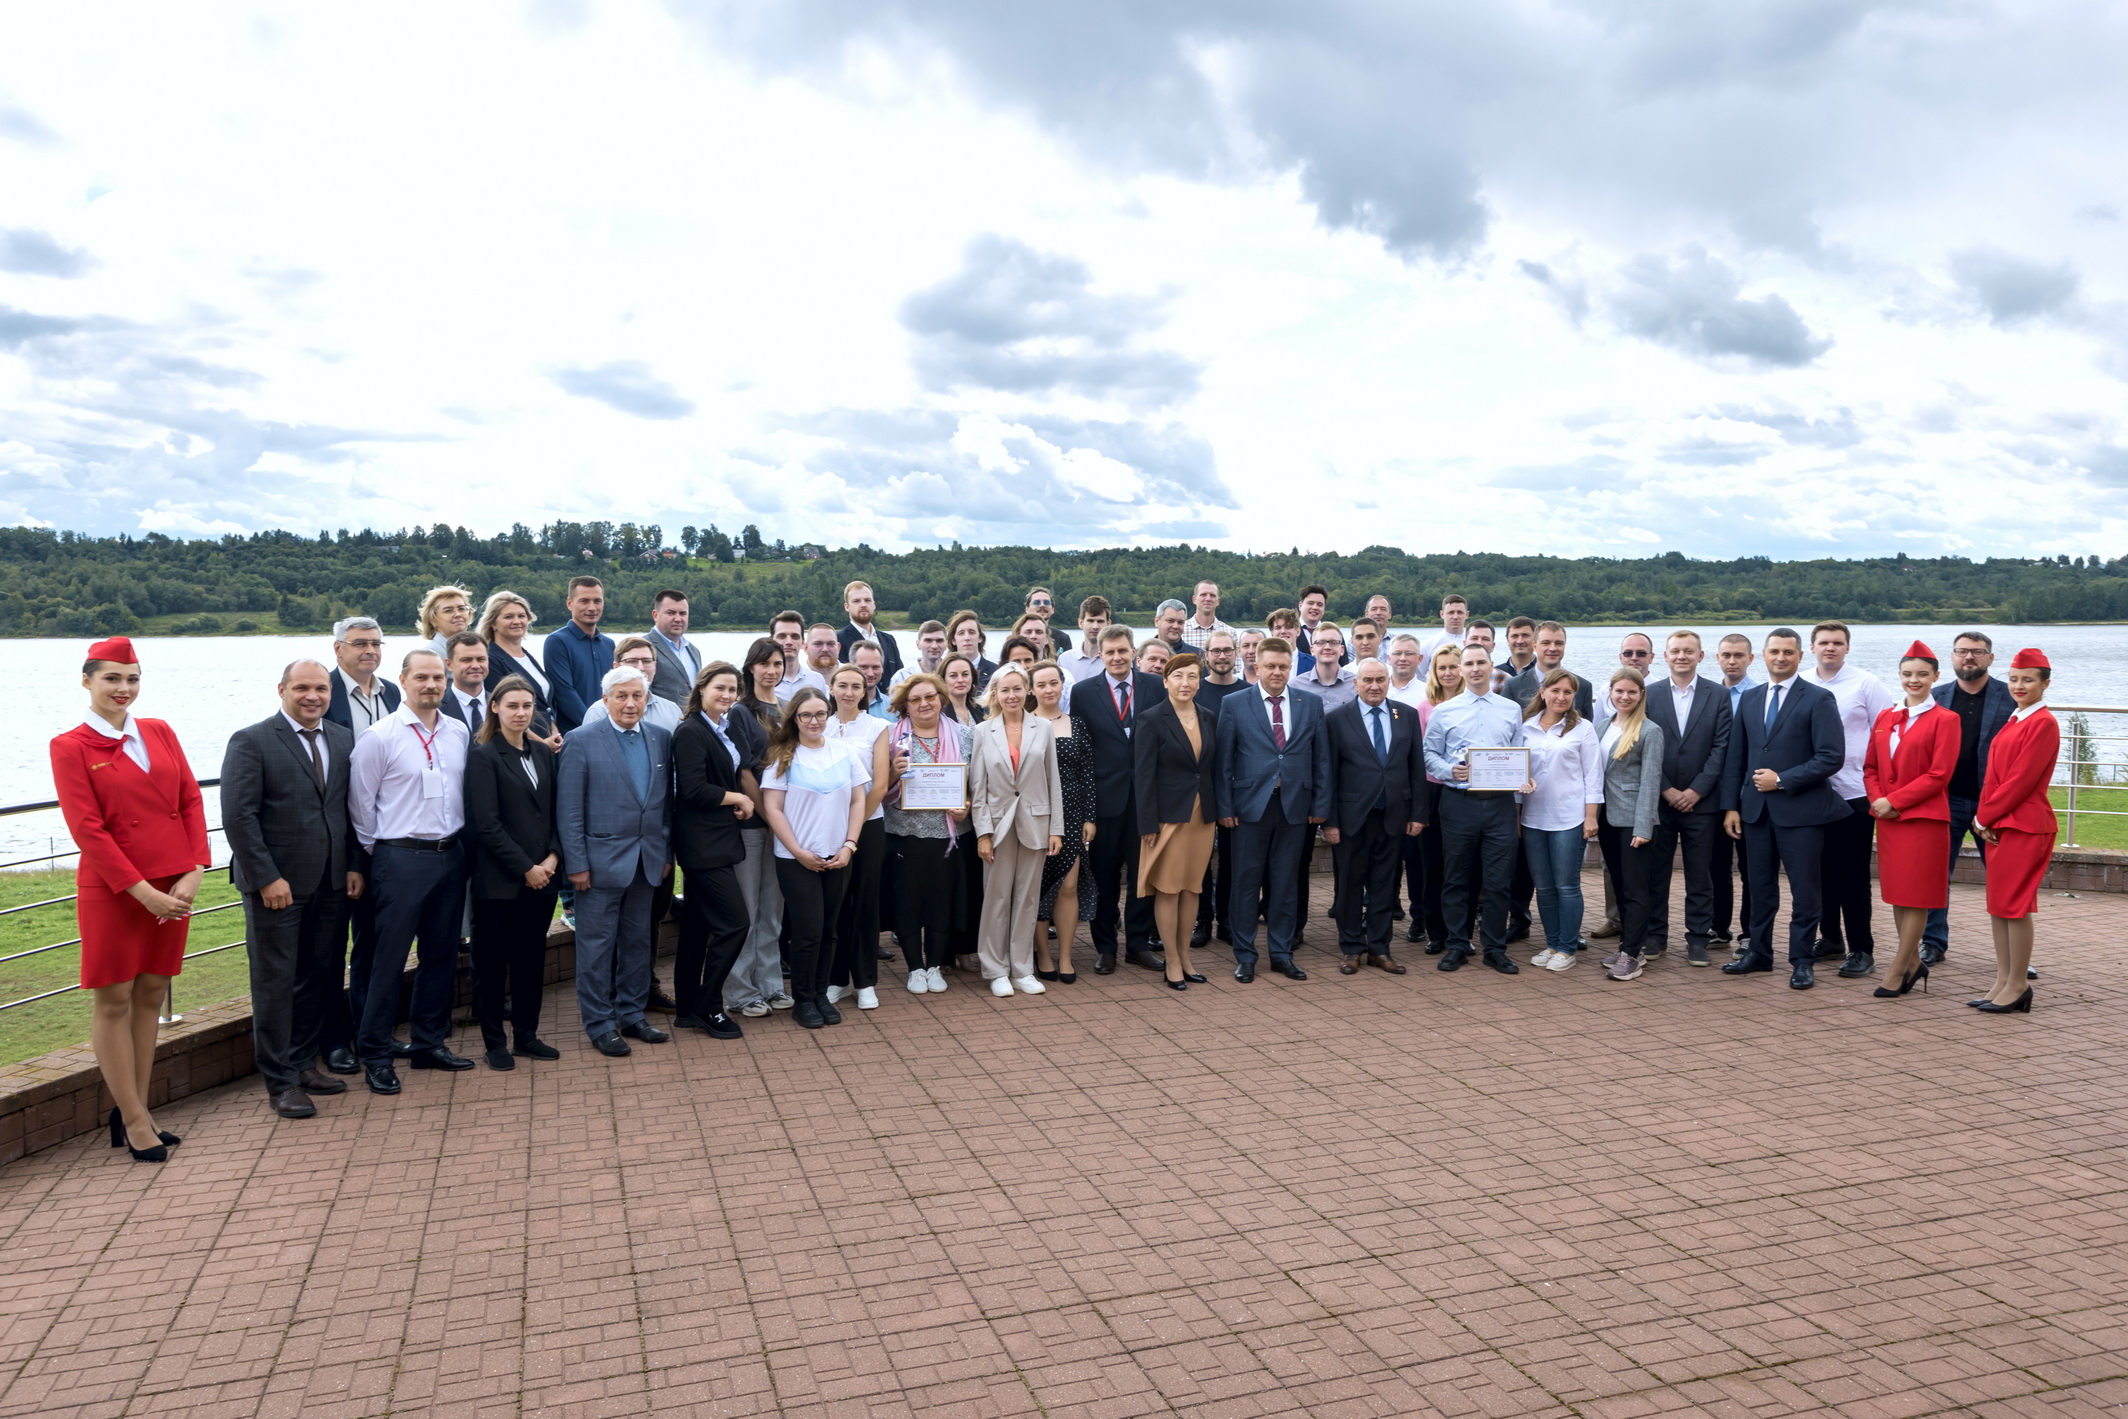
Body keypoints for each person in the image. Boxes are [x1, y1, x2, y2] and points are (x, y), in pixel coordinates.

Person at [54, 637, 209, 1161]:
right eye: (112, 678)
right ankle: (136, 1119)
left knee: (151, 993)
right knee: (114, 999)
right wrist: (143, 892)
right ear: (87, 681)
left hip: (173, 884)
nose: (124, 689)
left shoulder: (159, 731)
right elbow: (88, 831)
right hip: (117, 890)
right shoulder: (70, 746)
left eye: (132, 679)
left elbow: (190, 799)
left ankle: (134, 1109)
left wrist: (195, 868)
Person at [220, 659, 359, 1118]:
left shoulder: (342, 738)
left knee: (319, 976)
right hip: (276, 886)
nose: (312, 696)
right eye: (301, 688)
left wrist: (353, 866)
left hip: (331, 881)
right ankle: (280, 1082)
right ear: (281, 690)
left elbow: (349, 809)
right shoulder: (252, 740)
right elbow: (238, 816)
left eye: (321, 688)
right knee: (275, 983)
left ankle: (302, 1064)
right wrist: (266, 877)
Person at [349, 648, 474, 1093]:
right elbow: (360, 808)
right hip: (399, 858)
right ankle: (376, 1054)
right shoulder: (379, 737)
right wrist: (384, 854)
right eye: (421, 677)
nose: (431, 685)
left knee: (441, 955)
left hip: (450, 855)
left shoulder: (458, 732)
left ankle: (428, 1043)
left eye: (438, 677)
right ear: (402, 681)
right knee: (388, 960)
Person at [1719, 629, 1849, 990]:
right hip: (1755, 813)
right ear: (1763, 655)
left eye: (1788, 652)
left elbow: (1831, 756)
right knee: (1759, 889)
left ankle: (1802, 960)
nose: (1780, 657)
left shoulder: (1819, 698)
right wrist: (1731, 806)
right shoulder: (1751, 698)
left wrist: (1782, 780)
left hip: (1802, 813)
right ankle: (1759, 953)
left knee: (1805, 892)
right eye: (1774, 651)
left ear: (1800, 656)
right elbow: (1736, 757)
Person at [557, 665, 675, 1056]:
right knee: (596, 949)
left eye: (637, 695)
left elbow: (665, 804)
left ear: (646, 699)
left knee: (637, 943)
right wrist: (576, 864)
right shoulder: (581, 740)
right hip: (597, 866)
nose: (629, 703)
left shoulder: (660, 738)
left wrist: (664, 852)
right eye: (621, 696)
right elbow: (569, 810)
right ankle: (600, 1024)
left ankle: (632, 1014)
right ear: (605, 700)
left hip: (646, 862)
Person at [462, 675, 564, 1067]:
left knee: (530, 961)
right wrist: (526, 868)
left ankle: (526, 1036)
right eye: (512, 706)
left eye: (527, 706)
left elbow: (552, 813)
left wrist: (552, 858)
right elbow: (487, 825)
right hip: (499, 883)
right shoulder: (484, 756)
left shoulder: (542, 753)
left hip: (543, 880)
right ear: (495, 708)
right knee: (491, 966)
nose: (521, 713)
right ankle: (495, 1044)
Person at [1214, 636, 1329, 982]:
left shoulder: (1310, 703)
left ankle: (1281, 953)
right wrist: (1225, 806)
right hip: (1249, 809)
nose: (1277, 672)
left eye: (1283, 666)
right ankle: (1245, 955)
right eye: (1270, 666)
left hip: (1296, 808)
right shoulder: (1235, 703)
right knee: (1245, 883)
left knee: (1285, 883)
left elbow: (1321, 759)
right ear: (1256, 666)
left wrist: (1320, 804)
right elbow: (1223, 762)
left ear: (1290, 667)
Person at [759, 687, 872, 1029]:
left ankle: (821, 995)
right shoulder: (782, 757)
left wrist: (849, 845)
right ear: (794, 718)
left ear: (829, 714)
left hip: (837, 855)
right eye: (806, 715)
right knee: (808, 930)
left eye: (820, 714)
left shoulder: (844, 752)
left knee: (829, 929)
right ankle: (803, 1000)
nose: (814, 721)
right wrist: (797, 851)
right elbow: (773, 809)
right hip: (796, 858)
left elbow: (858, 801)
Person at [1861, 641, 1961, 1000]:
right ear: (1899, 675)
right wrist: (1878, 800)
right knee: (1898, 895)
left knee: (1916, 896)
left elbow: (1939, 774)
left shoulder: (1946, 720)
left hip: (1923, 821)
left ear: (1936, 676)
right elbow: (1870, 767)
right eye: (1907, 674)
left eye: (1922, 674)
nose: (1913, 680)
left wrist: (1894, 801)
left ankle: (1898, 968)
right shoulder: (1885, 718)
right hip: (1889, 819)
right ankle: (1914, 964)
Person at [1422, 642, 1528, 975]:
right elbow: (1429, 754)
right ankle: (1457, 944)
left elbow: (1519, 753)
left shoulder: (1511, 709)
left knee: (1498, 881)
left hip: (1499, 805)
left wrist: (1523, 778)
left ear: (1491, 665)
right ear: (1461, 669)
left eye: (1481, 662)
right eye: (1468, 663)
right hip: (1458, 804)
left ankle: (1495, 949)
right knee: (1456, 878)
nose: (1475, 668)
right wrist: (1448, 771)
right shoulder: (1444, 711)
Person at [1803, 620, 1898, 978]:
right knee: (1819, 873)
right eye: (1824, 642)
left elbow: (1887, 736)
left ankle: (1862, 948)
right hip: (1811, 793)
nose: (1830, 648)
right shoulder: (1801, 683)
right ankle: (1830, 939)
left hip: (1854, 794)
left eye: (1837, 643)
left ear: (1847, 647)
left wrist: (1881, 790)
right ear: (1812, 647)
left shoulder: (1866, 684)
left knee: (1853, 877)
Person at [1322, 659, 1427, 974]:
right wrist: (1330, 821)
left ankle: (1380, 949)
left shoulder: (1405, 715)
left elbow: (1416, 768)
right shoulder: (1337, 719)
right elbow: (1329, 773)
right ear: (1355, 684)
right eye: (1367, 680)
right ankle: (1352, 947)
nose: (1374, 686)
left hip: (1393, 816)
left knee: (1384, 886)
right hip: (1352, 818)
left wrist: (1417, 813)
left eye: (1380, 679)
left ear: (1388, 681)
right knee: (1350, 886)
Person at [966, 666, 1066, 996]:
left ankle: (1022, 968)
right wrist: (983, 833)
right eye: (1005, 690)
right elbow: (978, 787)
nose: (1012, 696)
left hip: (1036, 823)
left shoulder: (1043, 728)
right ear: (995, 694)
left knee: (1027, 899)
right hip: (997, 827)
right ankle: (995, 969)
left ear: (1027, 691)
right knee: (996, 898)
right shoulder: (983, 731)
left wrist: (1056, 829)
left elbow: (1053, 781)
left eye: (1017, 689)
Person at [1072, 626, 1166, 974]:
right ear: (1100, 655)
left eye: (1123, 651)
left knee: (1143, 877)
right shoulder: (1083, 692)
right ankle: (1106, 947)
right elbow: (1082, 750)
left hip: (1145, 799)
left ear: (1133, 652)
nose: (1117, 658)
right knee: (1104, 877)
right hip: (1104, 800)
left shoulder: (1155, 686)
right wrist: (1085, 807)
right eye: (1110, 652)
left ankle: (1138, 946)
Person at [669, 662, 755, 1039]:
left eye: (733, 689)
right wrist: (738, 798)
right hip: (701, 845)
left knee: (696, 927)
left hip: (717, 838)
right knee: (735, 924)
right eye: (720, 687)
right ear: (701, 687)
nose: (727, 694)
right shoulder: (690, 730)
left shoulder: (719, 727)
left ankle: (687, 1007)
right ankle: (709, 1005)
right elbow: (692, 789)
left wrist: (732, 800)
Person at [1971, 648, 2059, 1014]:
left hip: (2025, 824)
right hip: (2002, 823)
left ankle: (2019, 983)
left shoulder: (2043, 722)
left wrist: (1983, 817)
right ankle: (2003, 979)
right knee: (1999, 905)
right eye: (2013, 679)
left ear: (2045, 684)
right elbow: (1993, 777)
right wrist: (1987, 816)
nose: (2018, 686)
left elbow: (2021, 781)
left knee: (2015, 905)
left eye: (2028, 680)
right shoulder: (2016, 718)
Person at [1640, 630, 1733, 967]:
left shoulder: (1719, 695)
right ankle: (1655, 936)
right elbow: (1641, 744)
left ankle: (1698, 938)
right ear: (1665, 656)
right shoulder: (1649, 694)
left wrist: (1697, 790)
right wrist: (1664, 788)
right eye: (1676, 651)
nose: (1682, 656)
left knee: (1699, 875)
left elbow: (1721, 747)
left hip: (1702, 803)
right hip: (1659, 801)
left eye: (1688, 651)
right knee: (1656, 873)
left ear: (1700, 656)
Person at [1922, 632, 2016, 966]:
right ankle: (1932, 942)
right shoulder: (1935, 697)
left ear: (1991, 657)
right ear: (1952, 656)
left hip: (1993, 804)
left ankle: (2014, 953)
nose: (1969, 657)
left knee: (2005, 880)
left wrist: (1999, 803)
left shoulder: (2011, 696)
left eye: (1977, 651)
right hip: (1944, 800)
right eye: (1962, 651)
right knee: (1935, 876)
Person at [1135, 653, 1220, 990]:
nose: (1186, 683)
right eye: (1179, 676)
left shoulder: (1208, 716)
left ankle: (1185, 958)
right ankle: (1171, 960)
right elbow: (1143, 776)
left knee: (1192, 888)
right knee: (1168, 890)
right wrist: (1147, 823)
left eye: (1193, 676)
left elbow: (1210, 769)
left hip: (1202, 817)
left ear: (1200, 682)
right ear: (1165, 681)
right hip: (1167, 819)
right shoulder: (1151, 719)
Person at [883, 674, 970, 992]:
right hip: (904, 834)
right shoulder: (892, 738)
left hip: (948, 836)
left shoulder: (964, 735)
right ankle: (914, 969)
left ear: (941, 698)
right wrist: (893, 774)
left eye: (930, 696)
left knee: (941, 903)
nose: (924, 704)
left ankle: (934, 966)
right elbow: (878, 787)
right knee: (907, 903)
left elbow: (977, 783)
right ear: (905, 705)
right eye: (916, 699)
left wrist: (967, 806)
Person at [1519, 669, 1603, 972]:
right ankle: (1552, 943)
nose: (1561, 697)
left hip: (1569, 818)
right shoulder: (1525, 727)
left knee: (1566, 886)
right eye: (1555, 690)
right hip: (1533, 818)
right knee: (1543, 887)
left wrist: (1591, 817)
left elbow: (1593, 775)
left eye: (1568, 692)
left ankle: (1567, 948)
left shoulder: (1583, 728)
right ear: (1543, 692)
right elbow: (1515, 772)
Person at [727, 639, 791, 1017]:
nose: (771, 670)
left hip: (784, 826)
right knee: (748, 910)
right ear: (750, 667)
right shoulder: (740, 712)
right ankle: (740, 990)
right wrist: (770, 819)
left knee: (772, 909)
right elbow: (744, 772)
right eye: (764, 664)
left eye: (778, 664)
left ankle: (770, 984)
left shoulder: (786, 709)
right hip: (753, 825)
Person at [824, 664, 893, 1010]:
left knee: (865, 902)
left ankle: (865, 981)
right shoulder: (820, 724)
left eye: (856, 686)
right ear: (831, 688)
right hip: (826, 827)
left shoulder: (877, 727)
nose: (849, 692)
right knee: (834, 903)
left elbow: (880, 784)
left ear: (864, 692)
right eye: (843, 685)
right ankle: (836, 979)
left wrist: (853, 827)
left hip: (867, 824)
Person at [1593, 669, 1666, 981]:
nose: (1625, 697)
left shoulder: (1650, 731)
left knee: (1636, 889)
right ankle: (1627, 944)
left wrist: (1643, 827)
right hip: (1606, 818)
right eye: (1619, 691)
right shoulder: (1600, 726)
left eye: (1632, 692)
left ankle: (1633, 954)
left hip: (1633, 821)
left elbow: (1650, 781)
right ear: (1610, 692)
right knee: (1620, 886)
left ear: (1641, 695)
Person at [1030, 661, 1096, 981]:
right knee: (1039, 887)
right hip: (1037, 814)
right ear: (1032, 689)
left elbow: (1087, 773)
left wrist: (1090, 817)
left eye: (1053, 683)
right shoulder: (1025, 724)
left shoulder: (1077, 724)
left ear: (1062, 685)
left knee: (1068, 886)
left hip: (1072, 812)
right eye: (1041, 684)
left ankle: (1066, 956)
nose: (1048, 689)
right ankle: (1043, 955)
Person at [1413, 643, 1468, 951]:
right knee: (1432, 863)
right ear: (1433, 672)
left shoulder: (1472, 704)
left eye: (1453, 666)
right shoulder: (1425, 707)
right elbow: (1422, 755)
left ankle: (1462, 932)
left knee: (1462, 865)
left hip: (1465, 792)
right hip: (1433, 791)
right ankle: (1435, 932)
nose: (1448, 672)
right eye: (1441, 667)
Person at [1710, 633, 1759, 953]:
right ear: (1717, 658)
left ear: (1750, 659)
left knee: (1751, 869)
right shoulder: (1711, 695)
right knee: (1716, 866)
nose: (1732, 661)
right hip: (1714, 795)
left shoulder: (1759, 696)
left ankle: (1750, 933)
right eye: (1726, 655)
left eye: (1739, 655)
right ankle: (1718, 927)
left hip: (1749, 794)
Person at [477, 591, 562, 746]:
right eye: (508, 617)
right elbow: (502, 711)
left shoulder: (526, 656)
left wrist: (554, 731)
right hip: (522, 745)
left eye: (521, 616)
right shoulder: (490, 659)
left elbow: (545, 704)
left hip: (548, 741)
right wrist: (541, 744)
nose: (517, 621)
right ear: (493, 623)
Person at [543, 576, 614, 733]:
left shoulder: (609, 645)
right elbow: (564, 693)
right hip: (574, 734)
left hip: (607, 730)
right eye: (584, 601)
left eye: (597, 601)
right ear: (570, 603)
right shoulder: (557, 642)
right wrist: (595, 727)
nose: (592, 607)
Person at [585, 638, 684, 734]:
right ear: (616, 667)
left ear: (655, 666)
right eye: (632, 661)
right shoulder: (598, 712)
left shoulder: (672, 710)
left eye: (646, 661)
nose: (640, 668)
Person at [1502, 622, 1593, 718]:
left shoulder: (1583, 687)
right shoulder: (1513, 685)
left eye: (1558, 643)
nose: (1552, 648)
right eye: (1546, 643)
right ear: (1534, 646)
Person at [326, 615, 400, 733]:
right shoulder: (324, 690)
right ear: (338, 649)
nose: (371, 651)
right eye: (360, 644)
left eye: (376, 644)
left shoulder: (390, 690)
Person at [838, 579, 904, 679]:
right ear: (847, 607)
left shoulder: (889, 640)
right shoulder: (839, 640)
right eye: (856, 601)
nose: (863, 605)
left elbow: (900, 677)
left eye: (867, 600)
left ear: (874, 604)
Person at [646, 589, 701, 706]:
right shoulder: (643, 648)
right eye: (671, 613)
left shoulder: (694, 651)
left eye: (683, 613)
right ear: (655, 615)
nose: (678, 619)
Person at [1294, 623, 1358, 710]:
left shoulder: (1356, 685)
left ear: (1342, 650)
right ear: (1312, 650)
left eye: (1333, 642)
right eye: (1320, 642)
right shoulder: (1296, 686)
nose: (1327, 647)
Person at [437, 631, 491, 731]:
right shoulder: (436, 709)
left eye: (481, 659)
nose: (475, 666)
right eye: (466, 660)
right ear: (449, 664)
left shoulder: (501, 704)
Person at [772, 611, 827, 699]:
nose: (789, 642)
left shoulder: (816, 680)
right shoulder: (762, 680)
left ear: (802, 642)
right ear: (771, 641)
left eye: (795, 637)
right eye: (782, 636)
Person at [1057, 596, 1110, 686]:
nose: (1095, 626)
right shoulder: (1065, 660)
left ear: (1108, 624)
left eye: (1100, 621)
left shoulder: (1114, 660)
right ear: (1081, 623)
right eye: (1090, 621)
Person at [418, 585, 473, 662]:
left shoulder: (475, 650)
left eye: (461, 608)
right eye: (448, 611)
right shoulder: (430, 656)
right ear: (433, 620)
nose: (458, 614)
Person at [945, 610, 999, 688]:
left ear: (980, 638)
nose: (967, 638)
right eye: (961, 633)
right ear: (953, 640)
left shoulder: (996, 672)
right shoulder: (944, 672)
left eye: (971, 632)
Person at [890, 620, 949, 686]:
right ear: (918, 644)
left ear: (946, 644)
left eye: (939, 641)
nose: (934, 646)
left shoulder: (953, 675)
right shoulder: (902, 677)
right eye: (928, 641)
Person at [849, 640, 894, 719]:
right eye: (864, 667)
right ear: (851, 666)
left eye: (875, 667)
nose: (870, 674)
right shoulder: (837, 705)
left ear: (882, 668)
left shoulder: (893, 709)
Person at [1182, 580, 1234, 649]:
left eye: (1212, 595)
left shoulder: (1230, 633)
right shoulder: (1181, 631)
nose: (1208, 599)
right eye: (1203, 595)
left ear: (1218, 601)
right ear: (1194, 599)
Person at [1418, 594, 1469, 660]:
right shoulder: (1428, 645)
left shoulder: (1474, 642)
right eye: (1451, 612)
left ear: (1467, 614)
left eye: (1460, 612)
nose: (1455, 617)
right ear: (1442, 614)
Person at [939, 653, 985, 725]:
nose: (960, 680)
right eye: (953, 675)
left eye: (965, 674)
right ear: (943, 680)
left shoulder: (979, 709)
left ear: (972, 678)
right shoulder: (939, 712)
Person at [1025, 587, 1071, 653]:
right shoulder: (1017, 637)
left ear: (1052, 609)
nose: (1042, 605)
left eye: (1046, 602)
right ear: (1027, 609)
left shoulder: (1063, 638)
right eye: (1036, 602)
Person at [1295, 585, 1330, 660]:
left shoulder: (1333, 633)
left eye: (1319, 604)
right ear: (1300, 606)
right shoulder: (1290, 632)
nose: (1315, 607)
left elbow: (1343, 664)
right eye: (1310, 603)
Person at [1498, 617, 1538, 682]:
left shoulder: (1545, 672)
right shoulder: (1495, 673)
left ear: (1536, 639)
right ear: (1507, 640)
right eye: (1515, 636)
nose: (1520, 641)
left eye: (1525, 635)